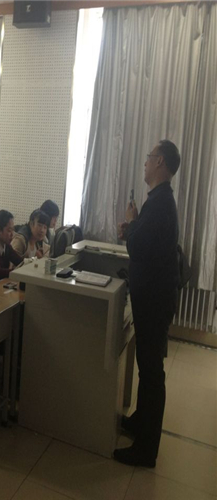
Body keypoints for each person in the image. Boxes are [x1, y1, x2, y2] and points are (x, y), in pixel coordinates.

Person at [114, 141, 181, 468]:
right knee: (148, 366)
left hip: (153, 301)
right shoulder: (158, 201)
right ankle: (141, 422)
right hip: (154, 298)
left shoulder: (160, 203)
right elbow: (146, 241)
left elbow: (139, 247)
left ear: (161, 162)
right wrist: (135, 224)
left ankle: (145, 450)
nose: (145, 163)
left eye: (149, 158)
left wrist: (131, 224)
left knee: (152, 372)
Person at [0, 210, 23, 283]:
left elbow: (19, 261)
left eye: (13, 230)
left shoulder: (6, 246)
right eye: (9, 230)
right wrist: (16, 271)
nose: (12, 234)